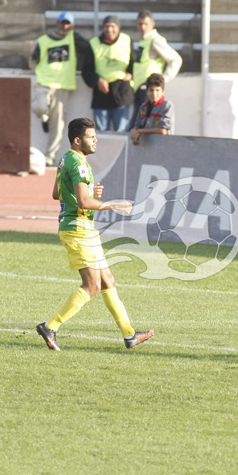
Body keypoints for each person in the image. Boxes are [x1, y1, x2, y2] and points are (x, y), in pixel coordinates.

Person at [36, 117, 154, 351]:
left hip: (84, 229)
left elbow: (56, 193)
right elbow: (83, 201)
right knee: (91, 285)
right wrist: (112, 204)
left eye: (95, 136)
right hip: (78, 229)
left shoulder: (67, 159)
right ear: (78, 140)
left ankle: (129, 335)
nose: (95, 140)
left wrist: (90, 190)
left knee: (107, 280)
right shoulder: (78, 163)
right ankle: (51, 326)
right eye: (91, 137)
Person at [30, 11, 92, 166]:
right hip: (44, 82)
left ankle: (49, 156)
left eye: (68, 23)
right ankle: (44, 117)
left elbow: (89, 49)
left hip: (63, 85)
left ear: (72, 25)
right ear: (58, 23)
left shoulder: (74, 38)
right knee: (39, 107)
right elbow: (33, 60)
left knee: (58, 124)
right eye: (63, 23)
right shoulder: (43, 40)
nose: (65, 26)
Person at [129, 10, 182, 130]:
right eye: (140, 24)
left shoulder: (155, 40)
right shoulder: (145, 40)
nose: (142, 27)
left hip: (148, 89)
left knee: (140, 127)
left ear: (152, 24)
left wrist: (163, 80)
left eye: (145, 24)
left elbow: (176, 60)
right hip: (140, 88)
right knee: (138, 127)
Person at [85, 15, 134, 132]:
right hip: (101, 92)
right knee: (101, 132)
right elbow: (86, 69)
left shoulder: (126, 40)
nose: (110, 29)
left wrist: (131, 73)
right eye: (107, 26)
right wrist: (98, 80)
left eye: (113, 26)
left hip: (121, 91)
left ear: (118, 28)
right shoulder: (94, 43)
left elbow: (134, 62)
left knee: (122, 131)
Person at [129, 73, 174, 145]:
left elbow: (163, 131)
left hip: (163, 146)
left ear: (163, 91)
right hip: (147, 147)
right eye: (151, 90)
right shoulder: (143, 107)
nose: (154, 93)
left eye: (157, 90)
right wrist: (133, 131)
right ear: (147, 91)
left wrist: (140, 131)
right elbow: (137, 126)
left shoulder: (167, 106)